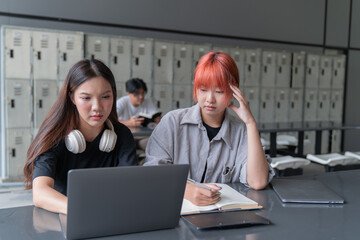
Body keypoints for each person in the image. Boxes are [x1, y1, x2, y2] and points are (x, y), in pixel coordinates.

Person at [144, 51, 275, 206]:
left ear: (234, 91)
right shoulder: (173, 122)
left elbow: (257, 181)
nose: (210, 99)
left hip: (223, 220)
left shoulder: (241, 130)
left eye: (219, 91)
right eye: (203, 89)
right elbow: (152, 174)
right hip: (175, 213)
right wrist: (186, 190)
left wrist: (251, 123)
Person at [24, 59, 137, 214]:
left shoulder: (122, 135)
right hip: (65, 216)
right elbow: (40, 193)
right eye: (86, 98)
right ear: (72, 98)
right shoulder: (55, 135)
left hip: (110, 214)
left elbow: (129, 186)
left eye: (105, 96)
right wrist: (86, 211)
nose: (97, 107)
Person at [116, 78, 161, 151]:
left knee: (155, 147)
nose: (141, 97)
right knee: (129, 149)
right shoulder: (121, 102)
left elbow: (155, 115)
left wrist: (158, 120)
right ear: (128, 93)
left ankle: (143, 162)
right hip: (125, 137)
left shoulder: (147, 102)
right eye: (137, 94)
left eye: (143, 93)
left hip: (143, 137)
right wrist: (129, 123)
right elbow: (110, 120)